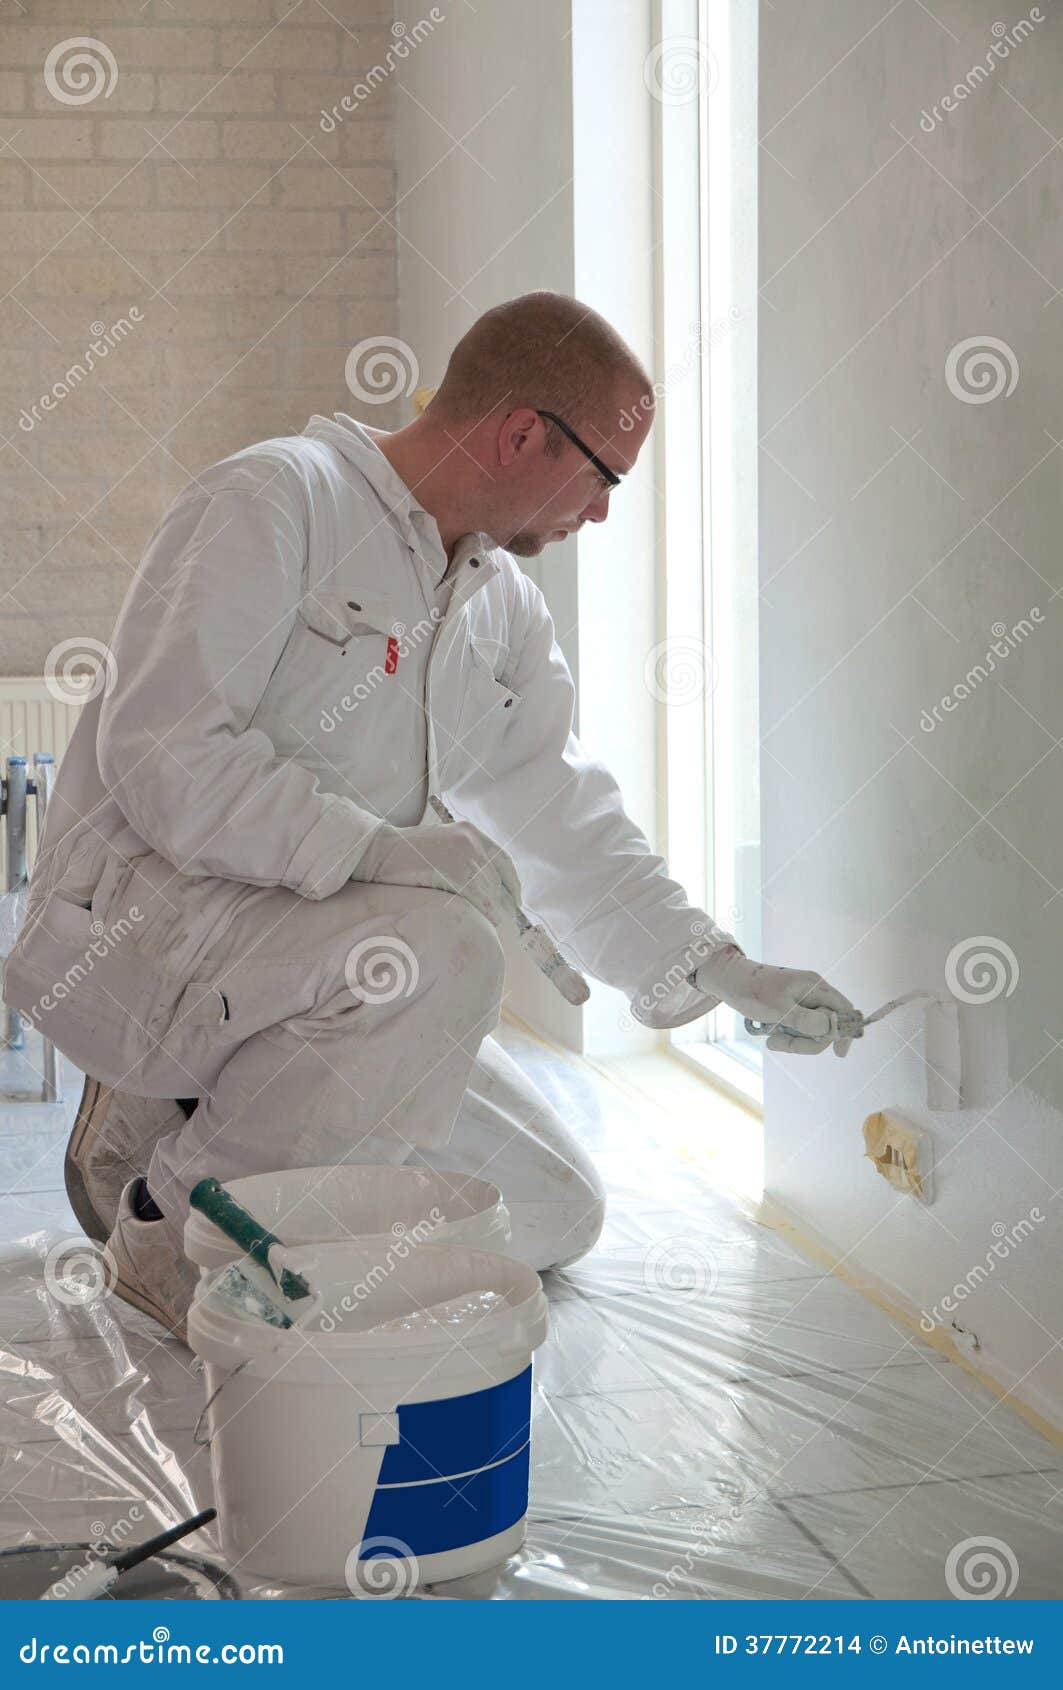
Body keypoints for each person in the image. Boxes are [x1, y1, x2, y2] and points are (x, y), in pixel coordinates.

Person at [2, 290, 857, 1342]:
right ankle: (167, 1234)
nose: (599, 513)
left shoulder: (496, 603)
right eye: (605, 479)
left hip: (313, 968)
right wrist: (377, 848)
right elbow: (165, 754)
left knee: (550, 1211)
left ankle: (214, 1123)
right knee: (443, 951)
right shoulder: (276, 502)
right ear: (521, 433)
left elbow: (559, 810)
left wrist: (718, 967)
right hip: (147, 938)